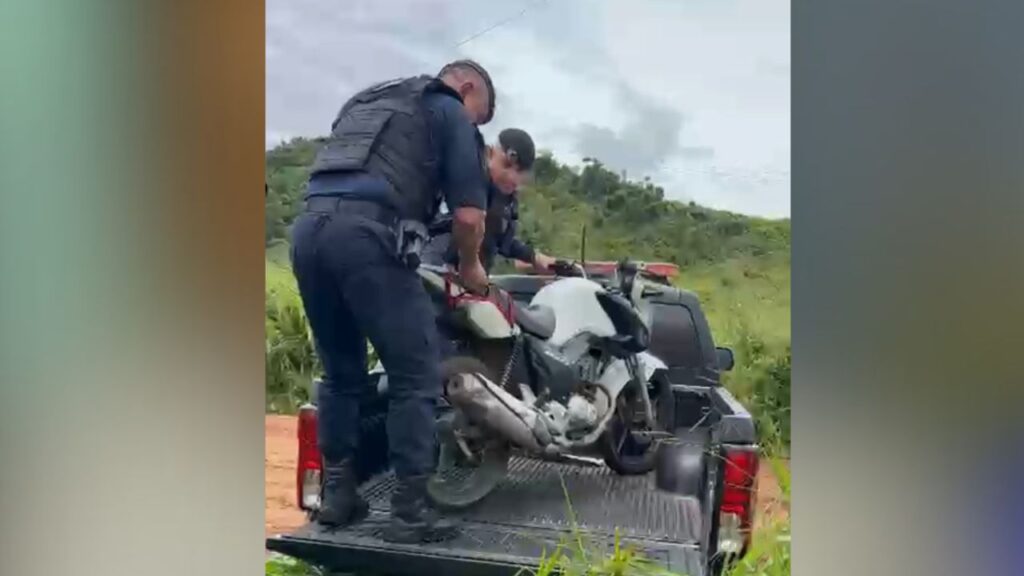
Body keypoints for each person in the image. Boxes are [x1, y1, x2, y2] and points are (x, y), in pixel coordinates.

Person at [289, 59, 495, 544]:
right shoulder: (446, 110)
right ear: (466, 88)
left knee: (342, 373)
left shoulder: (363, 102)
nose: (475, 128)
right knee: (416, 373)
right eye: (479, 117)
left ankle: (338, 497)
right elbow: (467, 216)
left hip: (307, 234)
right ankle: (408, 512)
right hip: (367, 237)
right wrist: (471, 267)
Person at [422, 128, 556, 273]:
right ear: (489, 154)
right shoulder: (466, 182)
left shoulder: (509, 203)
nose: (511, 176)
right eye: (506, 165)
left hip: (474, 280)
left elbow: (504, 243)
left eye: (519, 172)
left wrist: (533, 257)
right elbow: (442, 227)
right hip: (436, 267)